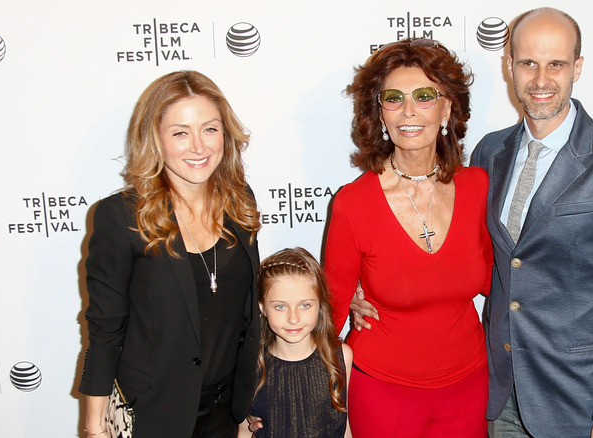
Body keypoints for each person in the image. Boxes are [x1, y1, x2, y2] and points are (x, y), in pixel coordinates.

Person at [471, 8, 593, 438]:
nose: (541, 79)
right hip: (502, 393)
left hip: (581, 401)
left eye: (556, 63)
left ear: (577, 67)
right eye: (528, 63)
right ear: (510, 67)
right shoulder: (489, 153)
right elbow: (477, 257)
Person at [324, 38, 493, 438]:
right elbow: (328, 310)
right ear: (380, 114)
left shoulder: (479, 187)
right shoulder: (354, 203)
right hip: (382, 392)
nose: (409, 111)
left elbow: (499, 280)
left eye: (424, 96)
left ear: (447, 107)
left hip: (469, 388)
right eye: (394, 98)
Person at [79, 70, 262, 438]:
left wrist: (245, 408)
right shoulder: (121, 216)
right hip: (154, 414)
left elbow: (244, 312)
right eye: (180, 132)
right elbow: (104, 329)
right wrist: (95, 425)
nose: (199, 147)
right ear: (156, 139)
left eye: (210, 129)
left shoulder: (239, 202)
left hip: (227, 412)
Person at [245, 248, 353, 438]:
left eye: (305, 305)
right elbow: (243, 431)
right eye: (280, 306)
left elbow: (346, 429)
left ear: (320, 304)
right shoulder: (251, 362)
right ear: (262, 307)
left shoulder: (341, 357)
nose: (293, 318)